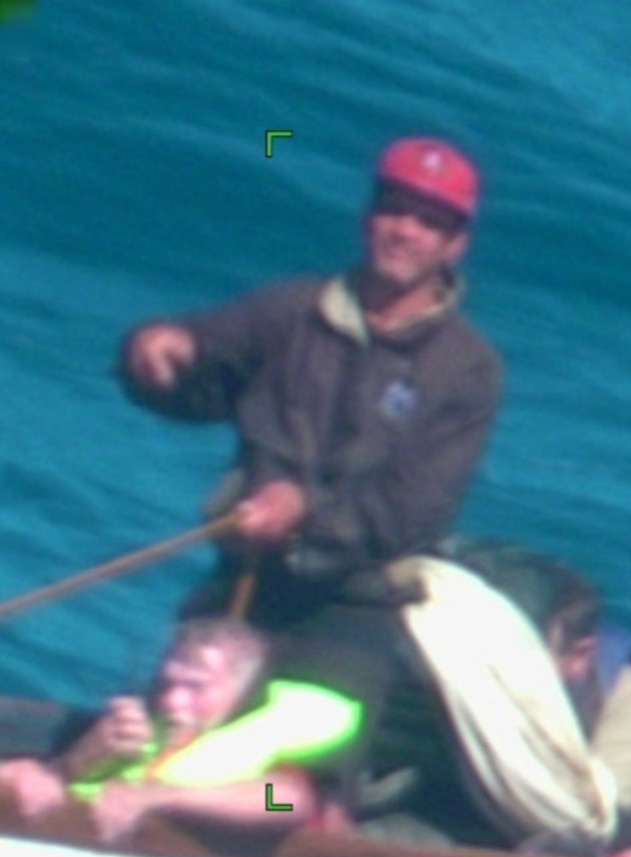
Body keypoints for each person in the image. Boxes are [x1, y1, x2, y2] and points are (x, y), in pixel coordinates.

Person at [116, 135, 504, 732]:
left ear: (456, 245)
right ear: (368, 217)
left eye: (429, 221)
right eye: (394, 208)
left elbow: (410, 512)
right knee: (157, 739)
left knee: (288, 790)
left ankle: (269, 812)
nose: (405, 229)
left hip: (350, 614)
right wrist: (156, 355)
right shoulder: (293, 308)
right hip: (243, 585)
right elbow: (207, 369)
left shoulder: (468, 370)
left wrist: (304, 510)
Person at [0, 618, 362, 844]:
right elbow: (61, 781)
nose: (174, 701)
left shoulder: (273, 746)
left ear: (239, 691)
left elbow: (287, 802)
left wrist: (159, 797)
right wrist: (66, 767)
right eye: (168, 684)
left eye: (196, 687)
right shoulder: (139, 727)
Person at [434, 537, 631, 810]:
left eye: (517, 653)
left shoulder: (623, 697)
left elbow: (607, 816)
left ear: (578, 655)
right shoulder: (435, 657)